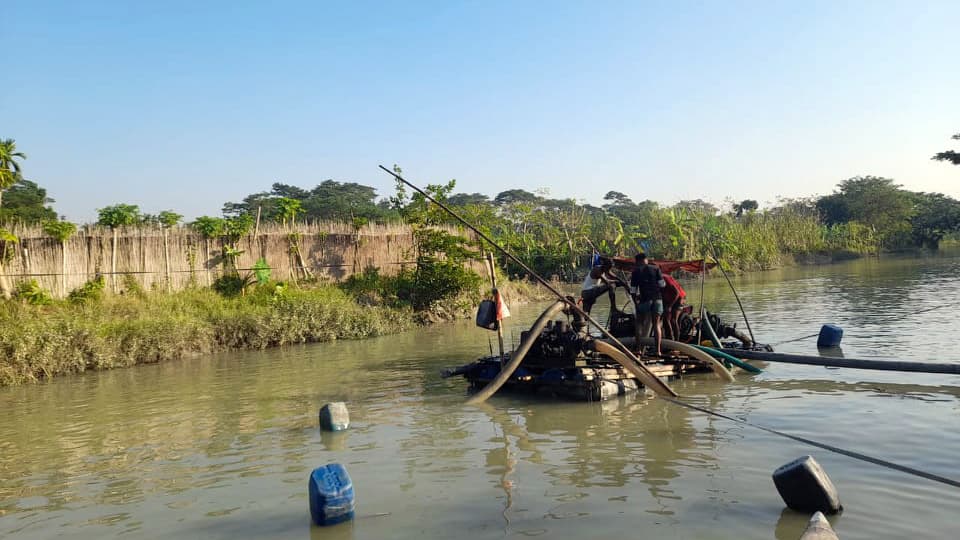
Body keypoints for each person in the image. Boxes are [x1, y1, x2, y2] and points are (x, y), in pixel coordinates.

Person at [630, 253, 665, 356]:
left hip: (645, 300)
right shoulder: (656, 269)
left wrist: (636, 303)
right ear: (646, 260)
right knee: (656, 324)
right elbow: (662, 285)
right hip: (658, 300)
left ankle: (638, 349)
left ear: (638, 261)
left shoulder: (636, 272)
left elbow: (633, 291)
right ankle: (658, 351)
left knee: (639, 323)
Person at [661, 272, 687, 341]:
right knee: (665, 319)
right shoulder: (653, 279)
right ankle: (669, 340)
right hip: (668, 298)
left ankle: (676, 342)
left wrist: (669, 306)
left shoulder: (664, 278)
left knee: (673, 320)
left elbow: (677, 293)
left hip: (679, 298)